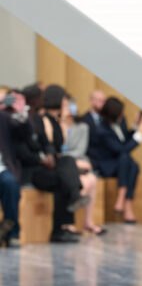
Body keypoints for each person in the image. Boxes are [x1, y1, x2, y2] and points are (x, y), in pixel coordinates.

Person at [16, 84, 89, 243]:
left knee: (68, 161)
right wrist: (41, 158)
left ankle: (65, 221)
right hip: (32, 170)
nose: (44, 100)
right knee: (62, 180)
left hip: (44, 166)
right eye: (41, 97)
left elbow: (50, 143)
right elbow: (22, 151)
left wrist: (49, 153)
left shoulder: (39, 119)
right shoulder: (22, 121)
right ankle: (60, 228)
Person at [57, 95, 107, 235]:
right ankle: (68, 222)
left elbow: (80, 150)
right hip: (66, 162)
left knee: (92, 179)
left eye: (72, 105)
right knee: (82, 182)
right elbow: (57, 148)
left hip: (78, 160)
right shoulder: (55, 125)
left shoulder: (82, 127)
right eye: (67, 106)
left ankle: (88, 221)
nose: (70, 109)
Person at [93, 97, 142, 223]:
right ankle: (126, 204)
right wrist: (140, 133)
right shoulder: (102, 129)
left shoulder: (121, 121)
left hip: (122, 163)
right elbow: (121, 149)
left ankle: (124, 201)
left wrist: (135, 126)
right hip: (107, 164)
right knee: (127, 159)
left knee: (132, 165)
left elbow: (124, 139)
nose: (122, 115)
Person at [0, 89, 27, 247]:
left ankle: (12, 232)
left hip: (2, 168)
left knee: (10, 183)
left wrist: (20, 113)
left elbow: (23, 134)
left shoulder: (3, 117)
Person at [81, 90, 106, 166]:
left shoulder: (107, 119)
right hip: (91, 158)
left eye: (104, 101)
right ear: (91, 101)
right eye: (100, 101)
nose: (103, 104)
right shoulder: (83, 120)